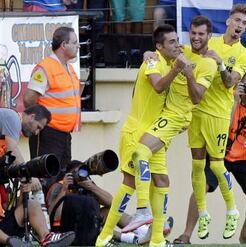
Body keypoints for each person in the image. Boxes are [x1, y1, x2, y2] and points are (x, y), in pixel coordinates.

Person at [121, 15, 217, 247]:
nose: (195, 38)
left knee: (143, 157)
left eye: (201, 34)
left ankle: (146, 213)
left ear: (209, 36)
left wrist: (189, 72)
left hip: (182, 120)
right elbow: (161, 53)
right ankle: (153, 234)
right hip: (161, 121)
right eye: (193, 33)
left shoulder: (209, 62)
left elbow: (196, 98)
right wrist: (149, 56)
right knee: (160, 179)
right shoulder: (180, 51)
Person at [95, 24, 185, 247]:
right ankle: (106, 235)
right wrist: (175, 70)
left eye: (177, 40)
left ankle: (156, 239)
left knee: (162, 180)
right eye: (171, 42)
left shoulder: (170, 62)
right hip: (136, 132)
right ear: (159, 46)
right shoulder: (153, 61)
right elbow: (157, 86)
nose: (177, 45)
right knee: (130, 182)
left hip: (155, 133)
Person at [174, 69, 246, 244]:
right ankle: (187, 234)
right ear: (239, 84)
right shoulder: (229, 100)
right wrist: (235, 102)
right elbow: (224, 128)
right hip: (219, 153)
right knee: (201, 186)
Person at [188, 3, 246, 240]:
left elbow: (229, 82)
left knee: (216, 165)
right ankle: (203, 213)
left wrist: (220, 63)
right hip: (197, 112)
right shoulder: (210, 43)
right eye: (237, 21)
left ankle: (232, 210)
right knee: (196, 166)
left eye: (244, 24)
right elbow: (187, 57)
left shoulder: (245, 54)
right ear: (228, 21)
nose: (240, 26)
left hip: (218, 114)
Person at [46, 160, 173, 245]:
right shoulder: (58, 187)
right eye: (75, 173)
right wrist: (64, 190)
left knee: (112, 212)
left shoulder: (85, 184)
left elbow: (112, 203)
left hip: (88, 225)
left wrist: (92, 187)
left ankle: (147, 231)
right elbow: (52, 213)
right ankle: (139, 237)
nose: (79, 175)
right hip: (66, 229)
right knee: (101, 228)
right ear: (68, 174)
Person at [0, 105, 75, 247]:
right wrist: (30, 174)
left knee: (32, 204)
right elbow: (12, 148)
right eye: (38, 127)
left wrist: (24, 190)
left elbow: (8, 208)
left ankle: (47, 238)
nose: (36, 132)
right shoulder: (12, 117)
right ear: (32, 116)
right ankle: (9, 241)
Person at [24, 26, 81, 192]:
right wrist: (40, 122)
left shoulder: (68, 68)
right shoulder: (46, 67)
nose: (78, 46)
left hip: (64, 135)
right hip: (48, 133)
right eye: (75, 42)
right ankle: (41, 216)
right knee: (44, 178)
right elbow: (29, 98)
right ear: (64, 45)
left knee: (61, 180)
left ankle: (54, 216)